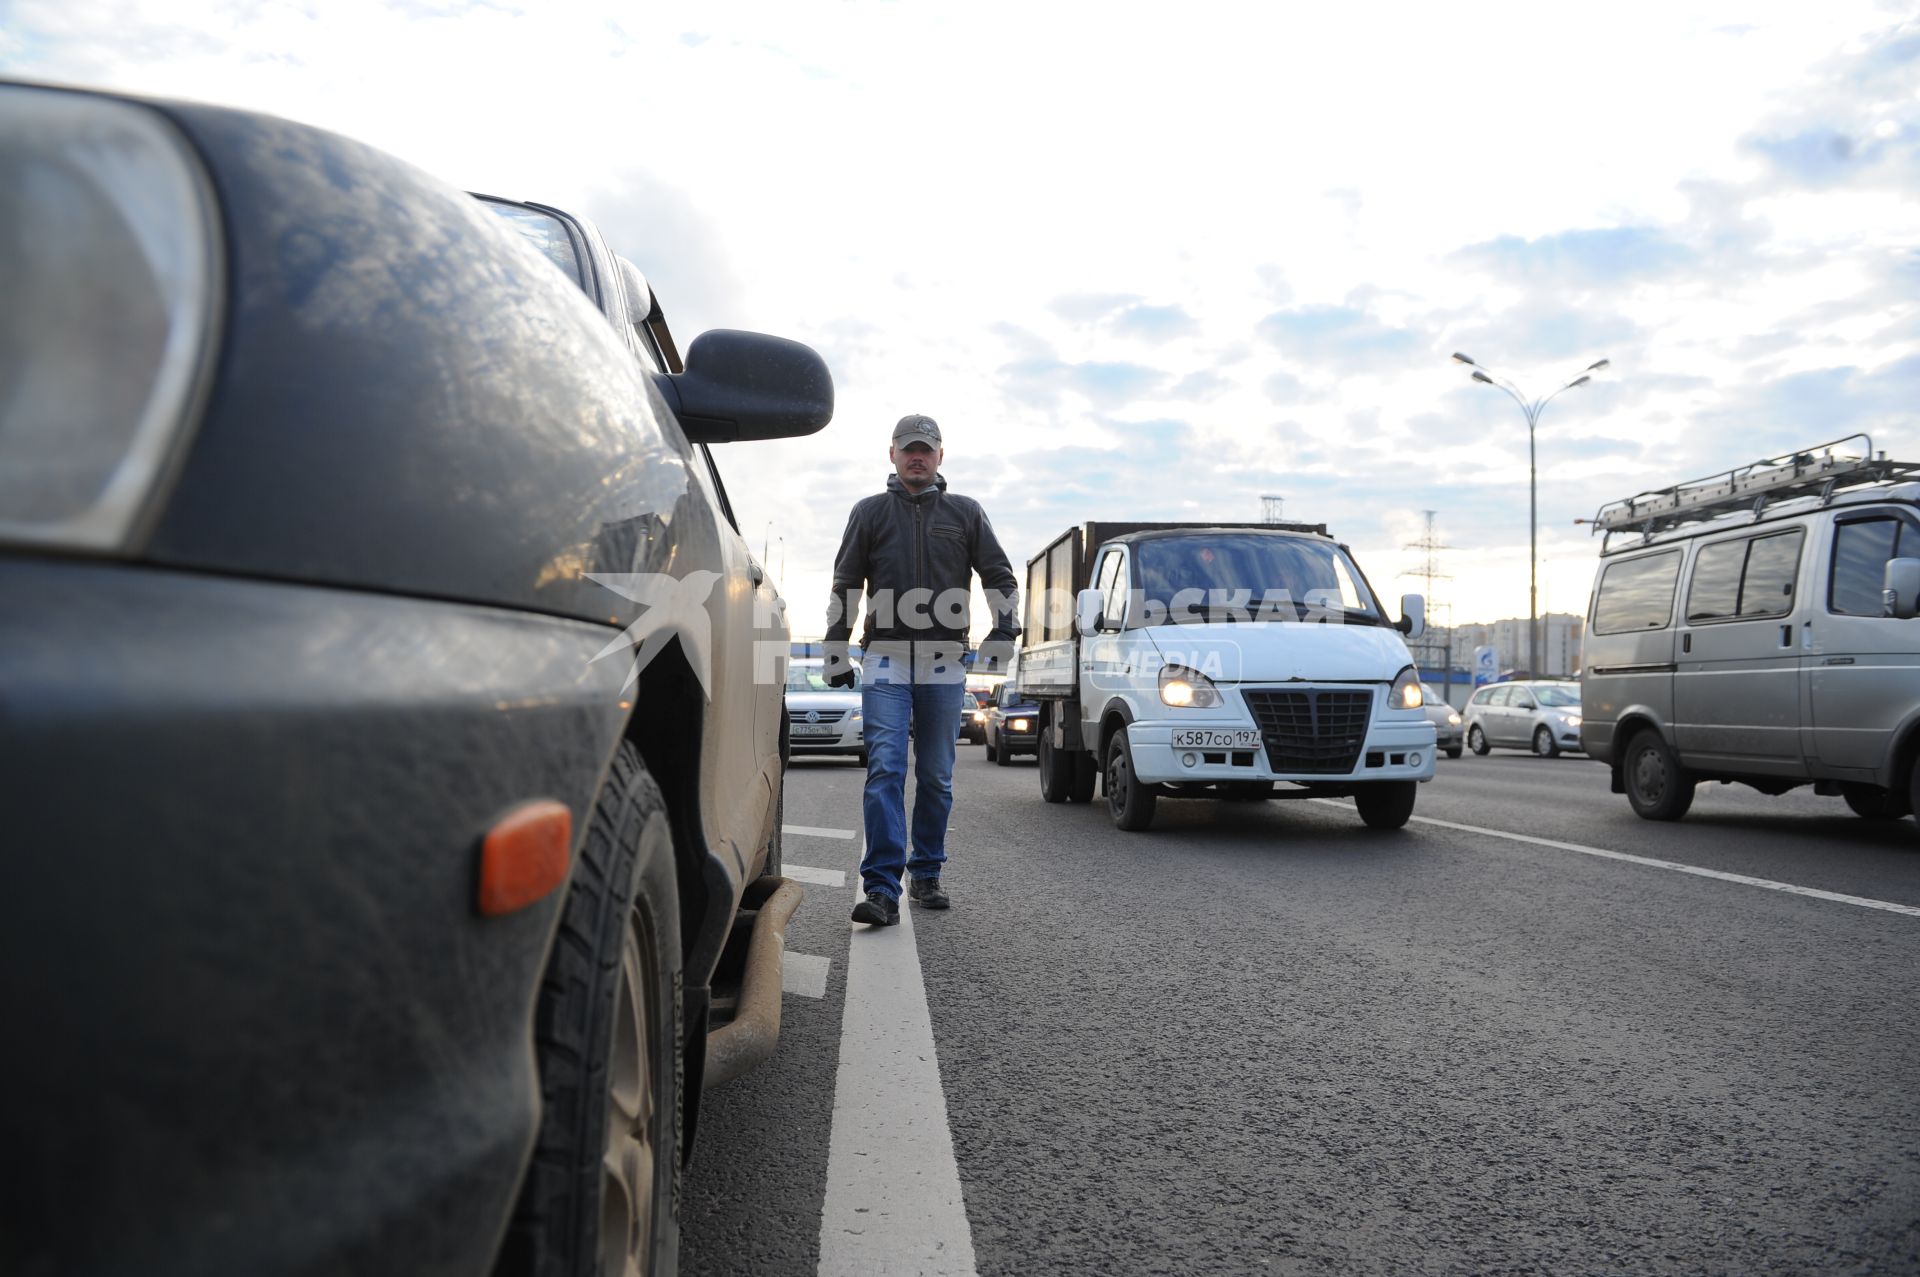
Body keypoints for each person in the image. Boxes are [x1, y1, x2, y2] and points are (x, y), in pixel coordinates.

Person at [824, 414, 1019, 926]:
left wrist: (1004, 631)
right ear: (891, 454)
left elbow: (998, 573)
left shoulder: (965, 513)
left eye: (926, 450)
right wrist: (834, 648)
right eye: (908, 449)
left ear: (939, 456)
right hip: (885, 657)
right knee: (886, 764)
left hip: (945, 661)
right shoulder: (869, 513)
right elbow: (847, 583)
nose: (917, 457)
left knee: (935, 775)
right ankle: (883, 888)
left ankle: (927, 871)